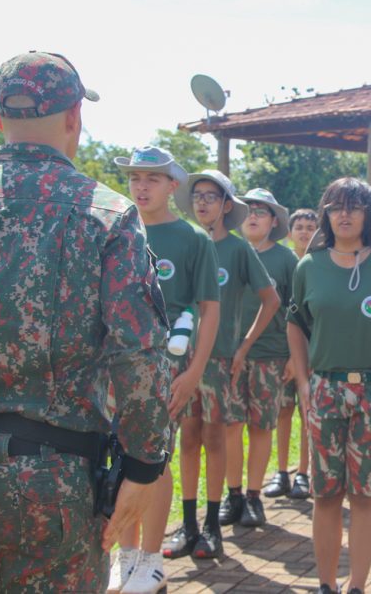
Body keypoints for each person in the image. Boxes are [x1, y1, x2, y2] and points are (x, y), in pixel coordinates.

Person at [0, 51, 170, 592]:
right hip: (54, 482)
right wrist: (142, 467)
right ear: (74, 118)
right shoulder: (107, 215)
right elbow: (138, 351)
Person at [287, 177, 371, 594]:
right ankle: (327, 583)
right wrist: (305, 382)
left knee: (365, 496)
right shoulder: (310, 266)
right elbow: (294, 323)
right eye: (336, 206)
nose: (345, 214)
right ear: (326, 213)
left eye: (354, 206)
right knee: (325, 494)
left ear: (368, 214)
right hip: (326, 389)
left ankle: (357, 585)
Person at [108, 146, 221, 593]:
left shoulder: (192, 239)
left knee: (152, 457)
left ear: (173, 185)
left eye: (152, 178)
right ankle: (127, 555)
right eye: (135, 177)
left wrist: (194, 373)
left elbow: (209, 309)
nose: (141, 186)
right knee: (119, 458)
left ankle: (152, 560)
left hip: (164, 368)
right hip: (113, 364)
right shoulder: (116, 229)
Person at [171, 170, 279, 559]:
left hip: (219, 361)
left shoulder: (237, 250)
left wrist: (244, 346)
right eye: (197, 195)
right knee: (187, 438)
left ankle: (213, 525)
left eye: (211, 196)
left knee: (216, 438)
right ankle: (186, 524)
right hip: (182, 359)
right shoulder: (185, 242)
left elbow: (271, 300)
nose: (202, 202)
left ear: (227, 205)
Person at [227, 188, 298, 525]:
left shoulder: (287, 261)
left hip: (271, 355)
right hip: (227, 356)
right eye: (248, 210)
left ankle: (254, 496)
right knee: (229, 426)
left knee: (261, 426)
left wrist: (295, 357)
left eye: (261, 211)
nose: (253, 216)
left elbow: (299, 313)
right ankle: (233, 494)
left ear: (274, 222)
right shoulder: (228, 251)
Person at [264, 207, 318, 500]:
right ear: (289, 231)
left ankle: (304, 473)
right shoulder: (284, 263)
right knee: (283, 412)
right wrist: (288, 357)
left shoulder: (321, 263)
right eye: (300, 227)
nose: (305, 232)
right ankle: (281, 471)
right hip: (283, 354)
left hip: (313, 355)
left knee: (307, 412)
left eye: (311, 227)